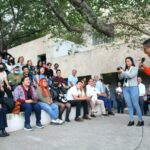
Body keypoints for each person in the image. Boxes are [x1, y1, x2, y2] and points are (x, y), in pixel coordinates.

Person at [118, 57, 144, 126]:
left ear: (131, 62)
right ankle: (131, 120)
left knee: (136, 104)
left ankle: (140, 120)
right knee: (129, 105)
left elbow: (131, 76)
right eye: (126, 61)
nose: (127, 62)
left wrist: (123, 72)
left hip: (133, 88)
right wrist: (119, 72)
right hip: (125, 88)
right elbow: (120, 78)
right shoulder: (125, 70)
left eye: (129, 61)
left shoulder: (135, 69)